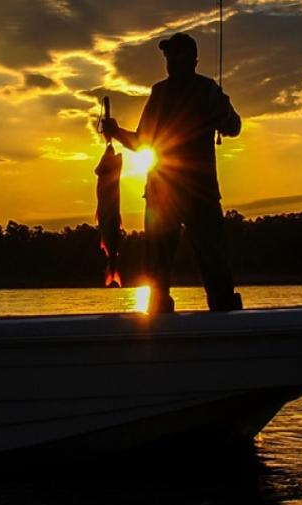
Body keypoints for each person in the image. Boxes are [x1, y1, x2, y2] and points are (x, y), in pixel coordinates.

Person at [101, 32, 243, 313]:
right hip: (161, 192)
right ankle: (158, 318)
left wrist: (223, 115)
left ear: (193, 59)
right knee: (156, 265)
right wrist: (115, 132)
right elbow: (143, 142)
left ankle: (225, 313)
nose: (171, 59)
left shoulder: (208, 90)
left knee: (214, 262)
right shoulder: (159, 92)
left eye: (178, 53)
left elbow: (235, 127)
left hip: (199, 192)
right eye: (168, 54)